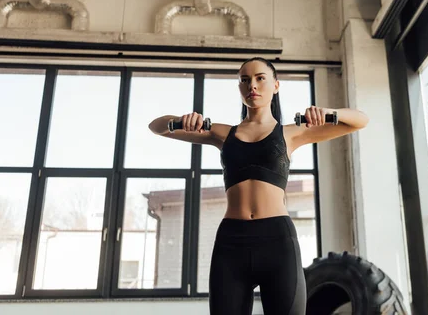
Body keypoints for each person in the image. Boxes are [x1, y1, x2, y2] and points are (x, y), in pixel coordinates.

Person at [148, 57, 368, 315]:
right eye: (245, 79)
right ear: (239, 87)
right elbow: (157, 127)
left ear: (275, 85)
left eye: (260, 78)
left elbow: (360, 120)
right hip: (231, 243)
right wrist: (184, 119)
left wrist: (329, 114)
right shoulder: (221, 133)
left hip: (277, 241)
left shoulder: (292, 132)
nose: (252, 85)